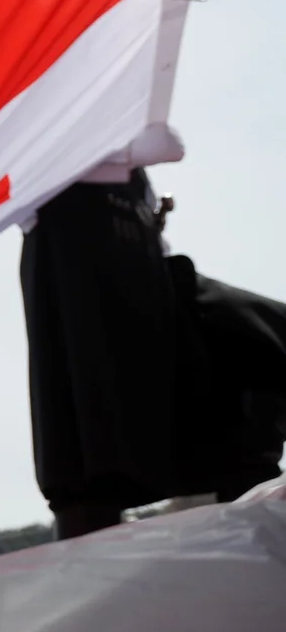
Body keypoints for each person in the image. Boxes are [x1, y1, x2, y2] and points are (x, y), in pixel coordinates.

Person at [22, 168, 286, 538]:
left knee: (247, 396)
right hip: (99, 285)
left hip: (157, 282)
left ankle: (253, 529)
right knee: (92, 458)